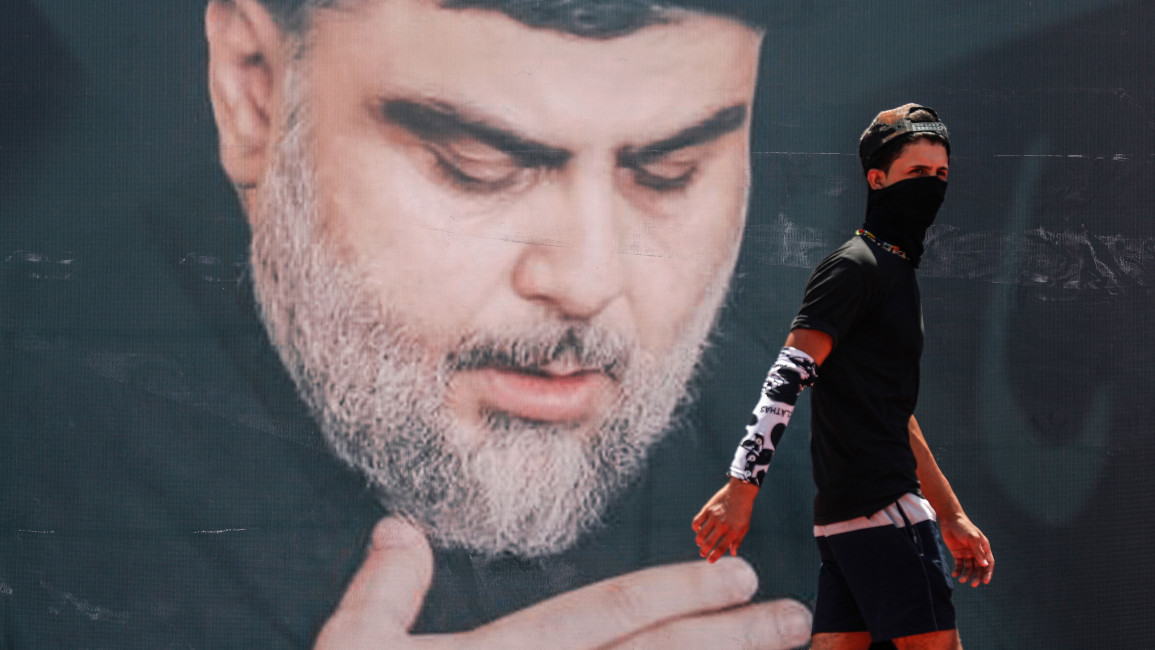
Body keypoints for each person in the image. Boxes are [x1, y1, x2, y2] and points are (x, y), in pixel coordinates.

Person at [0, 1, 815, 647]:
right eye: (478, 167)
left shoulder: (813, 448)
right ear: (252, 90)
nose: (586, 281)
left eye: (669, 174)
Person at [692, 104, 996, 649]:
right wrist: (742, 487)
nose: (932, 186)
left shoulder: (895, 272)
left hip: (850, 521)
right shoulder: (856, 267)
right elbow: (788, 374)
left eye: (940, 175)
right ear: (877, 179)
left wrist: (951, 514)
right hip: (885, 514)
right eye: (917, 174)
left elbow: (892, 414)